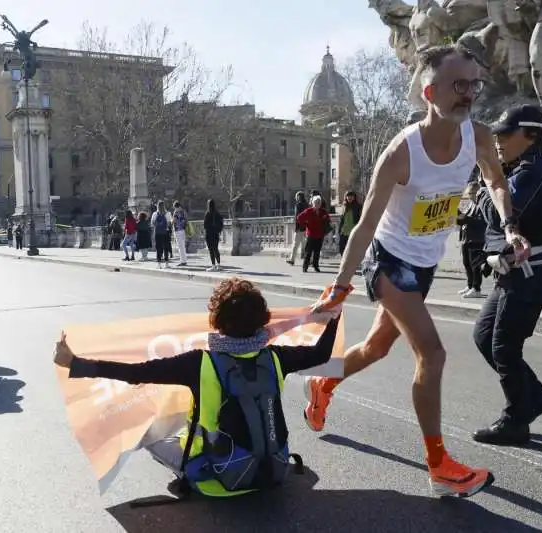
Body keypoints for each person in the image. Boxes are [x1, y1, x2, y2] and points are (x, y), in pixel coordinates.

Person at [305, 44, 531, 498]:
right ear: (430, 92)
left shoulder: (479, 136)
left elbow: (496, 182)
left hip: (424, 266)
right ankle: (439, 466)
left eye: (473, 84)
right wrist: (340, 287)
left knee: (375, 348)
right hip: (391, 264)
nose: (468, 94)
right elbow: (365, 225)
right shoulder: (400, 154)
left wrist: (509, 227)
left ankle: (322, 381)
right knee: (433, 353)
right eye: (457, 85)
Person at [54, 278, 341, 499]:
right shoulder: (276, 357)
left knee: (147, 432)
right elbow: (320, 354)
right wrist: (334, 316)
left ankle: (189, 467)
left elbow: (136, 373)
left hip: (221, 477)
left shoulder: (199, 362)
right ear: (263, 320)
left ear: (216, 322)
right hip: (275, 470)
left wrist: (75, 363)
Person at [470, 104, 542, 446]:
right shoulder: (525, 165)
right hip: (518, 270)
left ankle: (516, 420)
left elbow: (497, 217)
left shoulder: (532, 171)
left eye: (506, 134)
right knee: (484, 337)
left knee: (504, 347)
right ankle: (533, 399)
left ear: (531, 135)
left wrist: (483, 190)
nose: (498, 140)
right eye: (496, 133)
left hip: (532, 272)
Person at [457, 177, 487, 298]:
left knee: (475, 265)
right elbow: (465, 217)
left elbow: (481, 221)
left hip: (477, 238)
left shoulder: (482, 204)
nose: (469, 196)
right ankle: (469, 285)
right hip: (467, 238)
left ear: (477, 192)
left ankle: (476, 288)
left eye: (471, 193)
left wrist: (465, 219)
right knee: (467, 263)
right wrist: (457, 214)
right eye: (468, 193)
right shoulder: (471, 204)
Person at [296, 195, 331, 273]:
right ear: (312, 203)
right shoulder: (309, 211)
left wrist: (325, 220)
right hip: (311, 234)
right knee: (308, 251)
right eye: (316, 202)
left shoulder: (323, 211)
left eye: (319, 202)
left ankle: (316, 266)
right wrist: (305, 225)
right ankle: (305, 267)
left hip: (320, 234)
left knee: (317, 252)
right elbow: (299, 218)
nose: (317, 204)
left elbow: (328, 219)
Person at [286, 191, 309, 266]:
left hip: (300, 228)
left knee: (295, 245)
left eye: (296, 197)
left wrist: (297, 228)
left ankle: (292, 259)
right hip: (306, 228)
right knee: (306, 245)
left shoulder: (298, 205)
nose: (296, 198)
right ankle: (309, 260)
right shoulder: (307, 205)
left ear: (298, 197)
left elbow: (297, 217)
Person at [338, 191, 362, 256]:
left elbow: (361, 218)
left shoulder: (358, 207)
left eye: (351, 196)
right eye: (348, 196)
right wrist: (340, 229)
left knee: (352, 249)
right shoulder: (344, 206)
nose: (349, 197)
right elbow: (342, 219)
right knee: (341, 249)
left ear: (354, 197)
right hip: (344, 231)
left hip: (353, 231)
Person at [203, 199, 224, 271]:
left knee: (211, 250)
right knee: (216, 249)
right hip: (215, 234)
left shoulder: (207, 213)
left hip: (209, 234)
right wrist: (218, 230)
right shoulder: (217, 213)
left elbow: (205, 226)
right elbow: (221, 224)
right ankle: (219, 265)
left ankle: (213, 266)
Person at [151, 201, 171, 268]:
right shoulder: (168, 213)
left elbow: (152, 223)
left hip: (157, 233)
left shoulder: (154, 214)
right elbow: (169, 223)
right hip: (165, 233)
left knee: (158, 248)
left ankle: (159, 264)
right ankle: (167, 264)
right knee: (166, 248)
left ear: (157, 206)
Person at [172, 201, 189, 266]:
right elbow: (186, 220)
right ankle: (184, 260)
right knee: (183, 246)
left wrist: (171, 221)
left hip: (177, 230)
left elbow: (174, 221)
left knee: (180, 246)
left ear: (175, 206)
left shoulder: (176, 212)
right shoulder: (184, 211)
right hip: (183, 230)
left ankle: (182, 261)